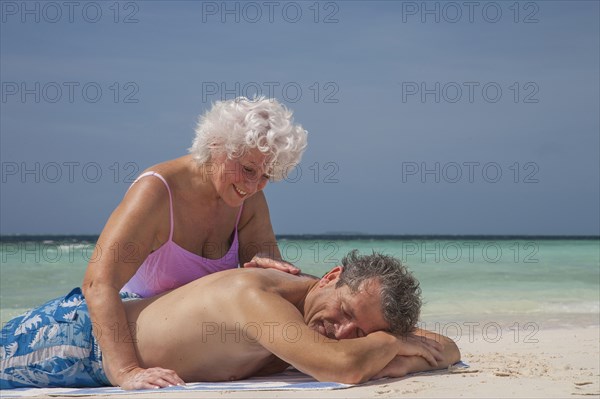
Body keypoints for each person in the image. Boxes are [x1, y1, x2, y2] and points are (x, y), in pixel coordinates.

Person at [81, 96, 308, 389]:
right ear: (216, 145)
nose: (253, 186)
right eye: (249, 170)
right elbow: (97, 284)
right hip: (107, 341)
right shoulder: (156, 191)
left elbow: (267, 278)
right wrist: (127, 371)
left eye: (267, 176)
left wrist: (270, 266)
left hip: (187, 344)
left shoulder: (248, 201)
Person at [1, 251, 461, 389]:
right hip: (78, 340)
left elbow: (448, 349)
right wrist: (387, 348)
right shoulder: (255, 296)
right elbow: (342, 367)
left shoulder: (316, 317)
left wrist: (391, 345)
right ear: (331, 277)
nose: (340, 332)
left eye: (359, 331)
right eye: (343, 313)